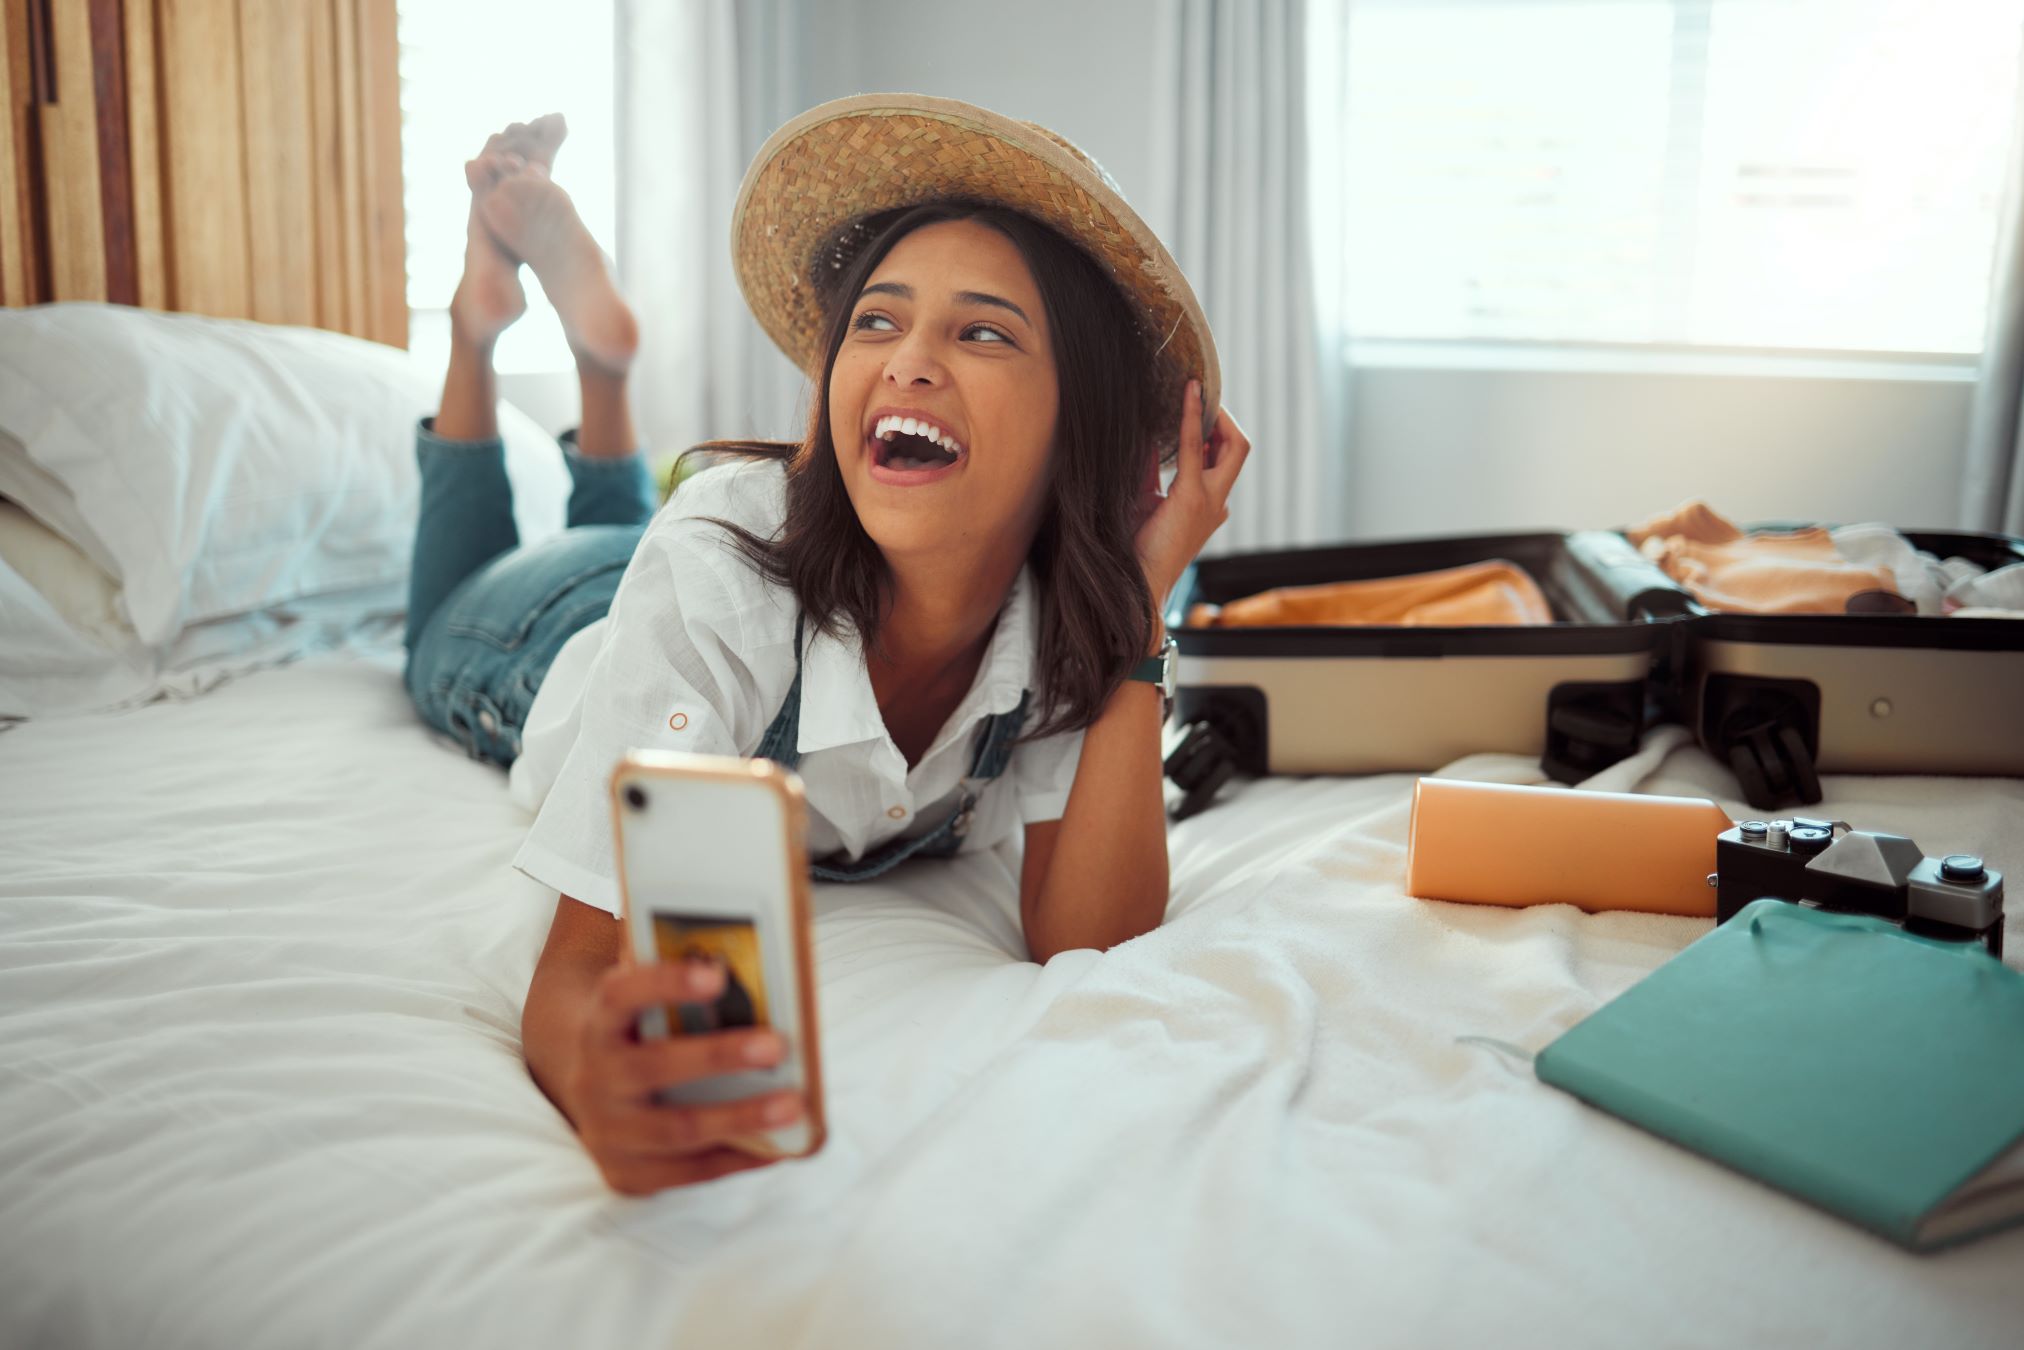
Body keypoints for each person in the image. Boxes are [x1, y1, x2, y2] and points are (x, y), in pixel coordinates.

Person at [403, 95, 1250, 1194]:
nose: (907, 362)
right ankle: (481, 339)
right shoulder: (720, 552)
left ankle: (602, 375)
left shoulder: (1064, 618)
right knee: (436, 619)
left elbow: (1086, 932)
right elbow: (577, 971)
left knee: (630, 535)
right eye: (876, 321)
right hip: (544, 634)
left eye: (982, 331)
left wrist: (1142, 601)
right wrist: (601, 1080)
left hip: (676, 578)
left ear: (1072, 427)